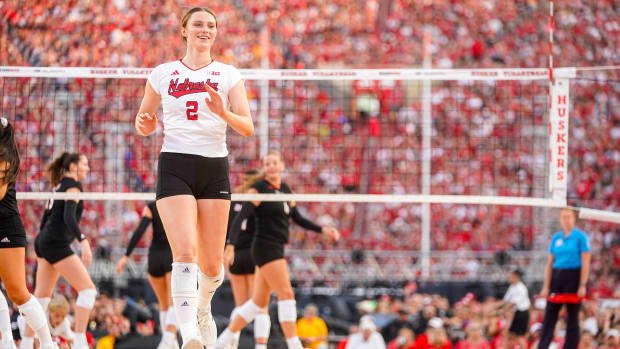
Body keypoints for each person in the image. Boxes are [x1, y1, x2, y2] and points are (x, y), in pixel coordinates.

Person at [135, 5, 253, 349]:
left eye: (211, 25)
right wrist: (144, 125)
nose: (206, 29)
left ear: (216, 32)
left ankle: (202, 308)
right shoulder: (163, 73)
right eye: (199, 24)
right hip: (174, 163)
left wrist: (223, 112)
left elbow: (246, 127)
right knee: (184, 252)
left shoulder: (228, 74)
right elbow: (143, 119)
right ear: (184, 30)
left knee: (213, 266)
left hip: (214, 166)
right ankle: (189, 336)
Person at [216, 151, 340, 349]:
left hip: (275, 247)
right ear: (264, 168)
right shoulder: (259, 189)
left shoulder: (285, 190)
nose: (271, 166)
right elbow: (240, 219)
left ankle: (221, 341)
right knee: (286, 294)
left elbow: (298, 218)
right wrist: (229, 246)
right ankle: (294, 344)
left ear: (282, 165)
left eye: (274, 163)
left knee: (257, 303)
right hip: (265, 247)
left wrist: (322, 230)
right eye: (267, 163)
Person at [22, 152, 96, 349]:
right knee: (88, 291)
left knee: (41, 298)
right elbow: (69, 218)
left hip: (43, 241)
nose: (88, 169)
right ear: (73, 167)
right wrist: (83, 240)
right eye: (85, 164)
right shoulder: (73, 186)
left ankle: (27, 344)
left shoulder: (56, 187)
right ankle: (80, 342)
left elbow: (46, 220)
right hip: (54, 243)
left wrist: (42, 244)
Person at [0, 117, 57, 349]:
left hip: (5, 227)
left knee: (18, 292)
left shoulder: (5, 159)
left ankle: (47, 343)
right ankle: (7, 344)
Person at [115, 202, 179, 349]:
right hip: (172, 253)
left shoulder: (152, 206)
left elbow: (139, 231)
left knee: (164, 305)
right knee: (172, 303)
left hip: (154, 256)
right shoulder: (179, 202)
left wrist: (126, 255)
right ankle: (168, 341)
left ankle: (171, 342)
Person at [223, 170, 271, 349]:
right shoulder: (258, 200)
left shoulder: (233, 200)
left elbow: (227, 229)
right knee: (260, 304)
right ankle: (260, 345)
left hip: (235, 254)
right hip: (253, 253)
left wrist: (226, 250)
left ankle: (230, 342)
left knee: (241, 304)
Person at [538, 208, 591, 349]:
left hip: (574, 276)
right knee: (549, 316)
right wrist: (546, 286)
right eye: (563, 217)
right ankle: (543, 346)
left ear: (574, 218)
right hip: (557, 277)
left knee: (572, 318)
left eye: (568, 216)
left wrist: (582, 284)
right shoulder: (556, 238)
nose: (566, 219)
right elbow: (550, 263)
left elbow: (585, 261)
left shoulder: (581, 237)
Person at [496, 268, 530, 349]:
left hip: (522, 314)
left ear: (516, 276)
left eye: (511, 275)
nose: (509, 277)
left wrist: (503, 310)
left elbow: (512, 303)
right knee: (510, 335)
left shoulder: (520, 288)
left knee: (519, 336)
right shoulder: (513, 287)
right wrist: (493, 307)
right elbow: (505, 300)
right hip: (518, 313)